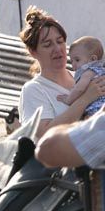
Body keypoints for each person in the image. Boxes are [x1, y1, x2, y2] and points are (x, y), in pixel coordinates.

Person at [18, 7, 105, 137]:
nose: (58, 49)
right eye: (48, 44)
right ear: (33, 52)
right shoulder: (33, 89)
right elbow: (43, 134)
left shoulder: (85, 76)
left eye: (60, 41)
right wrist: (85, 99)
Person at [58, 36, 105, 119]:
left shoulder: (88, 72)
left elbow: (79, 89)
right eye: (71, 61)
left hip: (96, 109)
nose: (73, 65)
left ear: (93, 59)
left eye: (77, 60)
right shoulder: (101, 71)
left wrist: (68, 99)